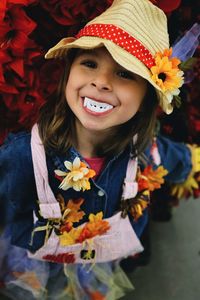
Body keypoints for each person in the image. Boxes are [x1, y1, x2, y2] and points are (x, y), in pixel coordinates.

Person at [0, 0, 199, 299]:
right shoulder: (24, 155)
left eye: (124, 73)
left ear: (148, 96)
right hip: (33, 262)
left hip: (97, 261)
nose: (101, 82)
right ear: (68, 74)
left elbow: (181, 160)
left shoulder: (146, 151)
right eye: (90, 63)